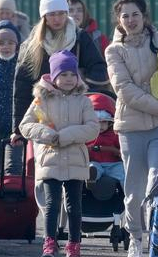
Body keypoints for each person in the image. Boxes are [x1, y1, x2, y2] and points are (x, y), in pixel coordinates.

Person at [105, 0, 158, 257]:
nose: (131, 19)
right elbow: (124, 90)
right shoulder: (114, 50)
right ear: (118, 20)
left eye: (135, 14)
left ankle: (156, 237)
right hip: (131, 127)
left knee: (155, 183)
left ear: (144, 16)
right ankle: (134, 235)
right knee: (134, 192)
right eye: (125, 15)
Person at [18, 50, 99, 257]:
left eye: (72, 74)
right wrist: (47, 134)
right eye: (63, 74)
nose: (69, 79)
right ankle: (50, 242)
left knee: (74, 205)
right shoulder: (41, 100)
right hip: (50, 158)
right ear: (54, 76)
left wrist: (66, 135)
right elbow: (26, 126)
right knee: (52, 204)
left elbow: (92, 128)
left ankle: (74, 244)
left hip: (75, 159)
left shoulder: (83, 101)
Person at [11, 0, 109, 147]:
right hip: (44, 117)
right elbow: (21, 86)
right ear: (44, 16)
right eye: (52, 14)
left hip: (75, 115)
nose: (57, 19)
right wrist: (18, 129)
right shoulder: (33, 45)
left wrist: (81, 86)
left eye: (61, 13)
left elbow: (98, 68)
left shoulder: (79, 38)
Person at [0, 20, 23, 176]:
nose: (6, 47)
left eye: (10, 43)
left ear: (17, 45)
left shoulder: (22, 66)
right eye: (1, 43)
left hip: (17, 126)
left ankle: (13, 198)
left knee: (13, 167)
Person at [85, 92, 124, 189]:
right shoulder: (87, 135)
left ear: (110, 123)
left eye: (104, 122)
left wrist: (118, 152)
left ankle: (128, 193)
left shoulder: (114, 134)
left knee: (123, 172)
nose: (100, 126)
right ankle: (90, 178)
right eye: (97, 123)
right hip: (95, 162)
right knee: (92, 167)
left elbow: (121, 148)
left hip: (113, 163)